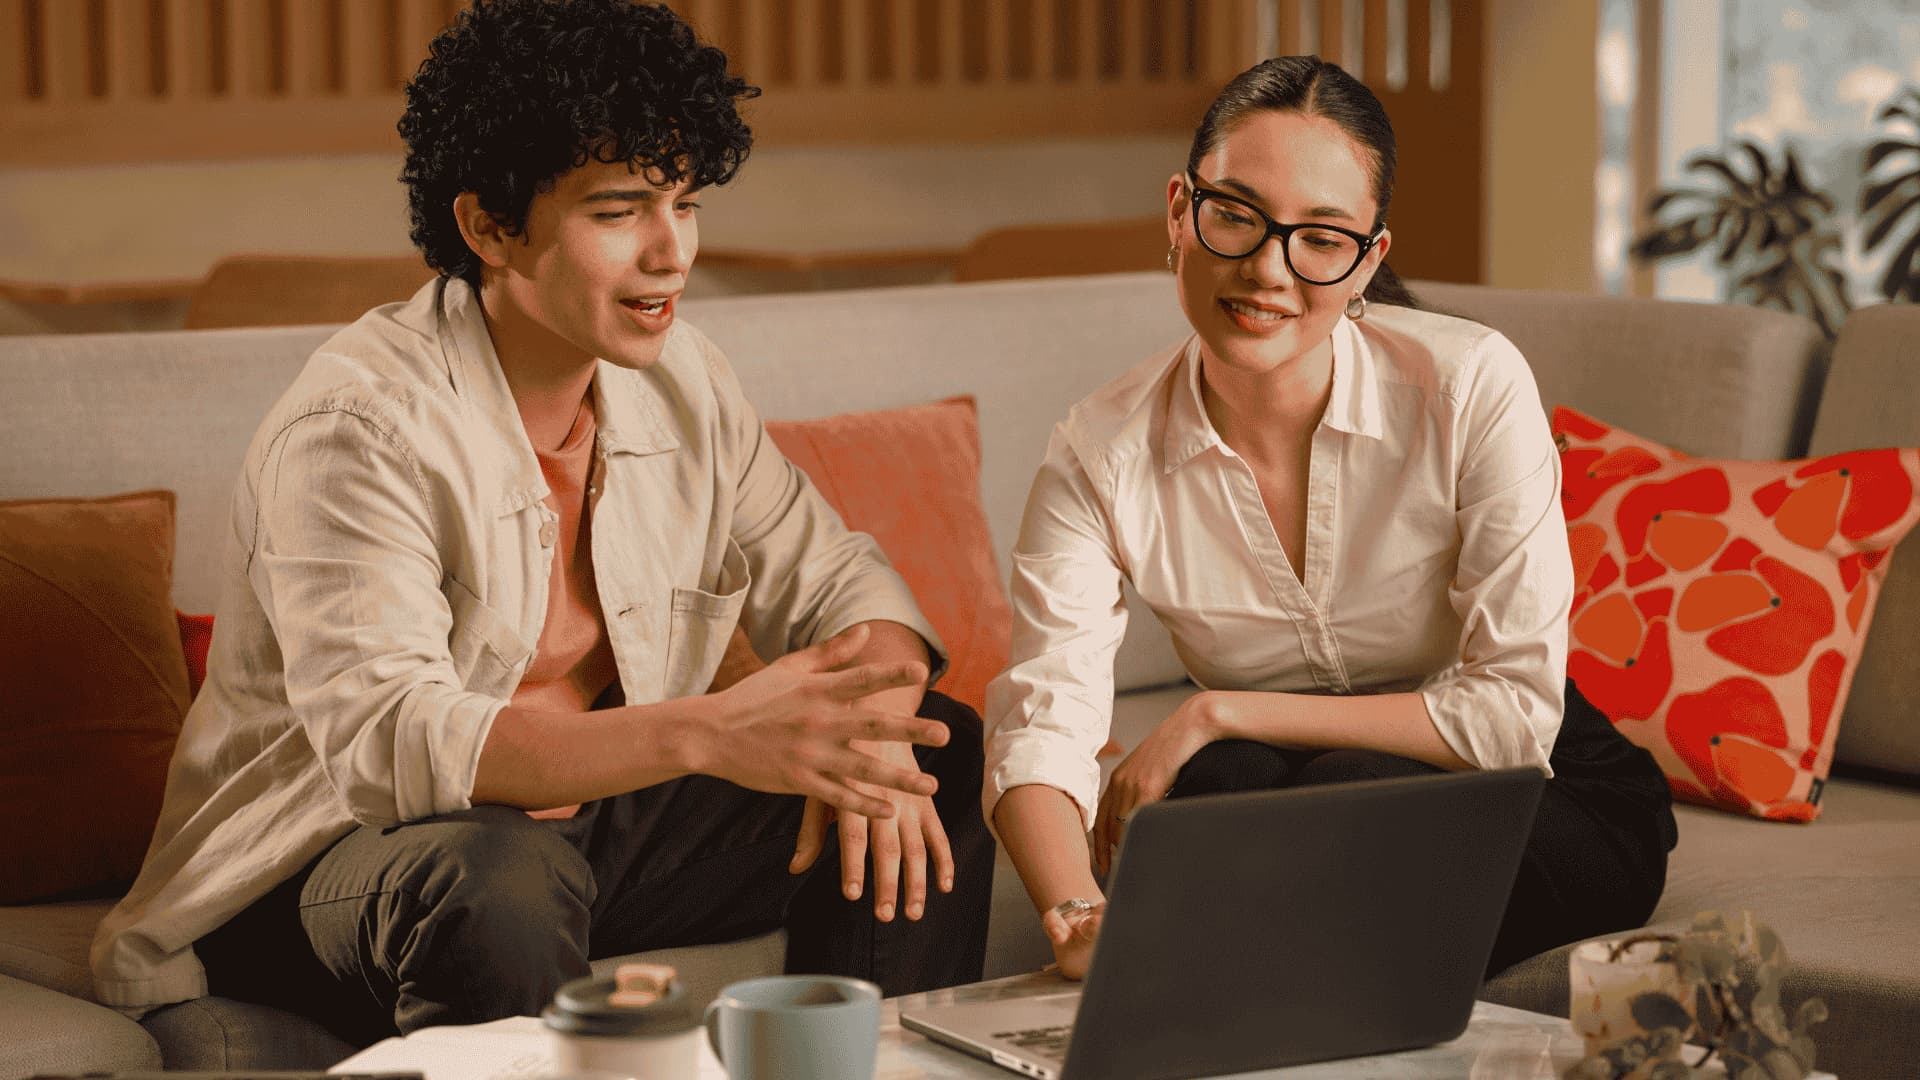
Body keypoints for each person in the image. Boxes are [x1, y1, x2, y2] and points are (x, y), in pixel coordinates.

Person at [90, 0, 992, 1042]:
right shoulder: (355, 427)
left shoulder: (687, 381)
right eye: (619, 212)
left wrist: (873, 731)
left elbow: (838, 578)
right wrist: (711, 732)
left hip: (565, 835)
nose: (672, 253)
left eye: (685, 203)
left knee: (928, 748)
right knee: (498, 880)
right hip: (327, 865)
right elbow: (393, 743)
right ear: (488, 227)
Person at [984, 56, 1676, 981]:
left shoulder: (1469, 384)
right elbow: (1042, 719)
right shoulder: (1099, 453)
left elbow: (1512, 717)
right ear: (1180, 212)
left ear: (1369, 261)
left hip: (1540, 788)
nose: (1268, 269)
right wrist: (1077, 915)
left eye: (1320, 237)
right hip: (1278, 781)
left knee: (1330, 798)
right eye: (1236, 214)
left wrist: (1215, 709)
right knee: (1218, 790)